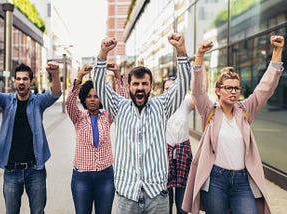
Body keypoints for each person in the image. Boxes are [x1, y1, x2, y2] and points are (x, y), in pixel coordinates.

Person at [182, 35, 285, 214]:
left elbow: (265, 88)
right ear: (218, 91)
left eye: (236, 88)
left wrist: (277, 52)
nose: (233, 92)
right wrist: (199, 55)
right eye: (228, 88)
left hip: (242, 180)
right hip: (215, 180)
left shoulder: (245, 110)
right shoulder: (209, 110)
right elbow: (197, 89)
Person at [93, 33, 191, 214]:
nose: (140, 88)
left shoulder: (162, 106)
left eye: (144, 84)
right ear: (128, 86)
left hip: (156, 195)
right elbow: (99, 84)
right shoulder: (118, 106)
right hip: (126, 194)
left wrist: (181, 51)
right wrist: (103, 53)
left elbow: (183, 84)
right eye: (136, 84)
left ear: (151, 86)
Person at [0, 59, 61, 214]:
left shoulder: (37, 102)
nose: (21, 82)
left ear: (31, 81)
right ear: (14, 81)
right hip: (11, 170)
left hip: (35, 169)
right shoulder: (7, 101)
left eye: (25, 79)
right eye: (18, 79)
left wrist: (56, 74)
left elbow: (54, 93)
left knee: (38, 212)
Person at [65, 63, 126, 214]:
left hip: (105, 177)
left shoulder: (107, 116)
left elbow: (122, 102)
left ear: (101, 99)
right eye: (89, 96)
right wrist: (79, 77)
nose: (92, 100)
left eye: (96, 96)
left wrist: (117, 75)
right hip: (81, 178)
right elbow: (69, 102)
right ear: (84, 99)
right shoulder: (78, 117)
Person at [163, 65, 208, 214]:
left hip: (183, 152)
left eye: (172, 88)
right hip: (164, 153)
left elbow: (202, 92)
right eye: (166, 88)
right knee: (165, 200)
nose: (169, 91)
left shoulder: (185, 102)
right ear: (163, 91)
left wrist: (203, 69)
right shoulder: (159, 104)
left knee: (182, 200)